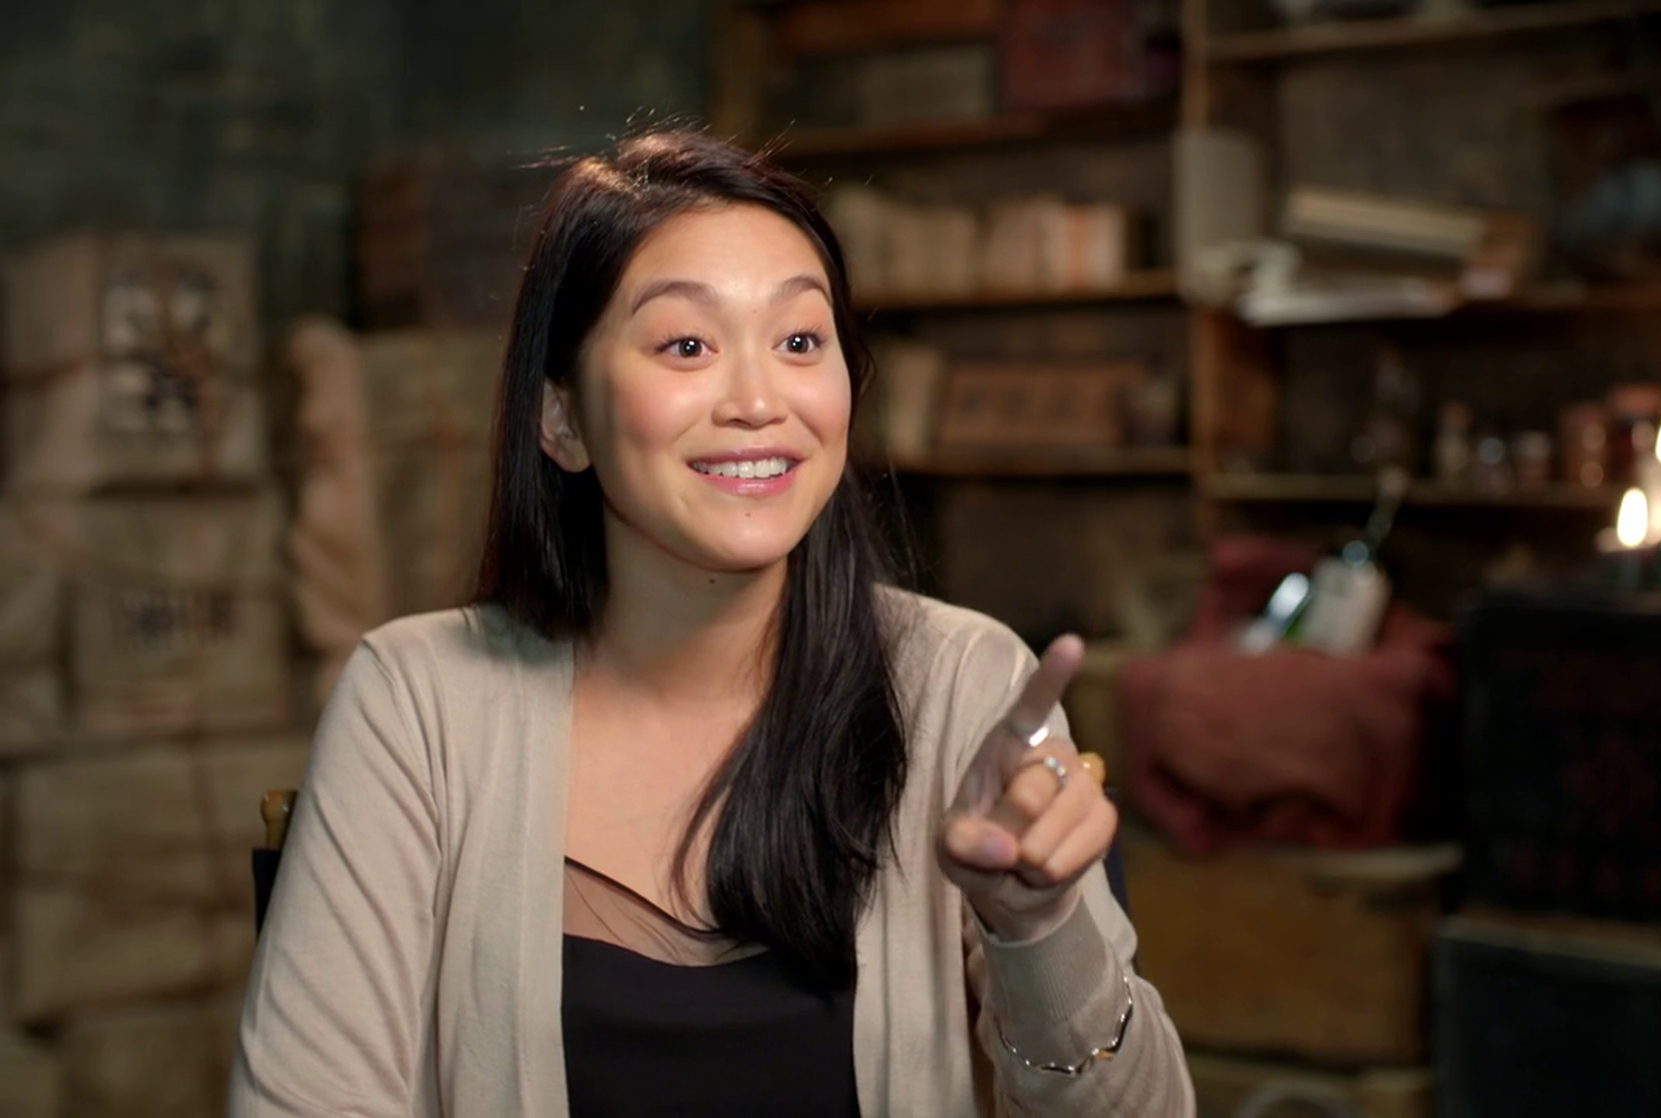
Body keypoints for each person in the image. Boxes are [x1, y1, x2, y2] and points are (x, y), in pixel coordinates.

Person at [229, 129, 1194, 1117]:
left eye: (799, 341)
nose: (758, 400)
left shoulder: (961, 687)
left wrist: (1035, 928)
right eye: (686, 345)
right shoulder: (419, 705)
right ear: (562, 418)